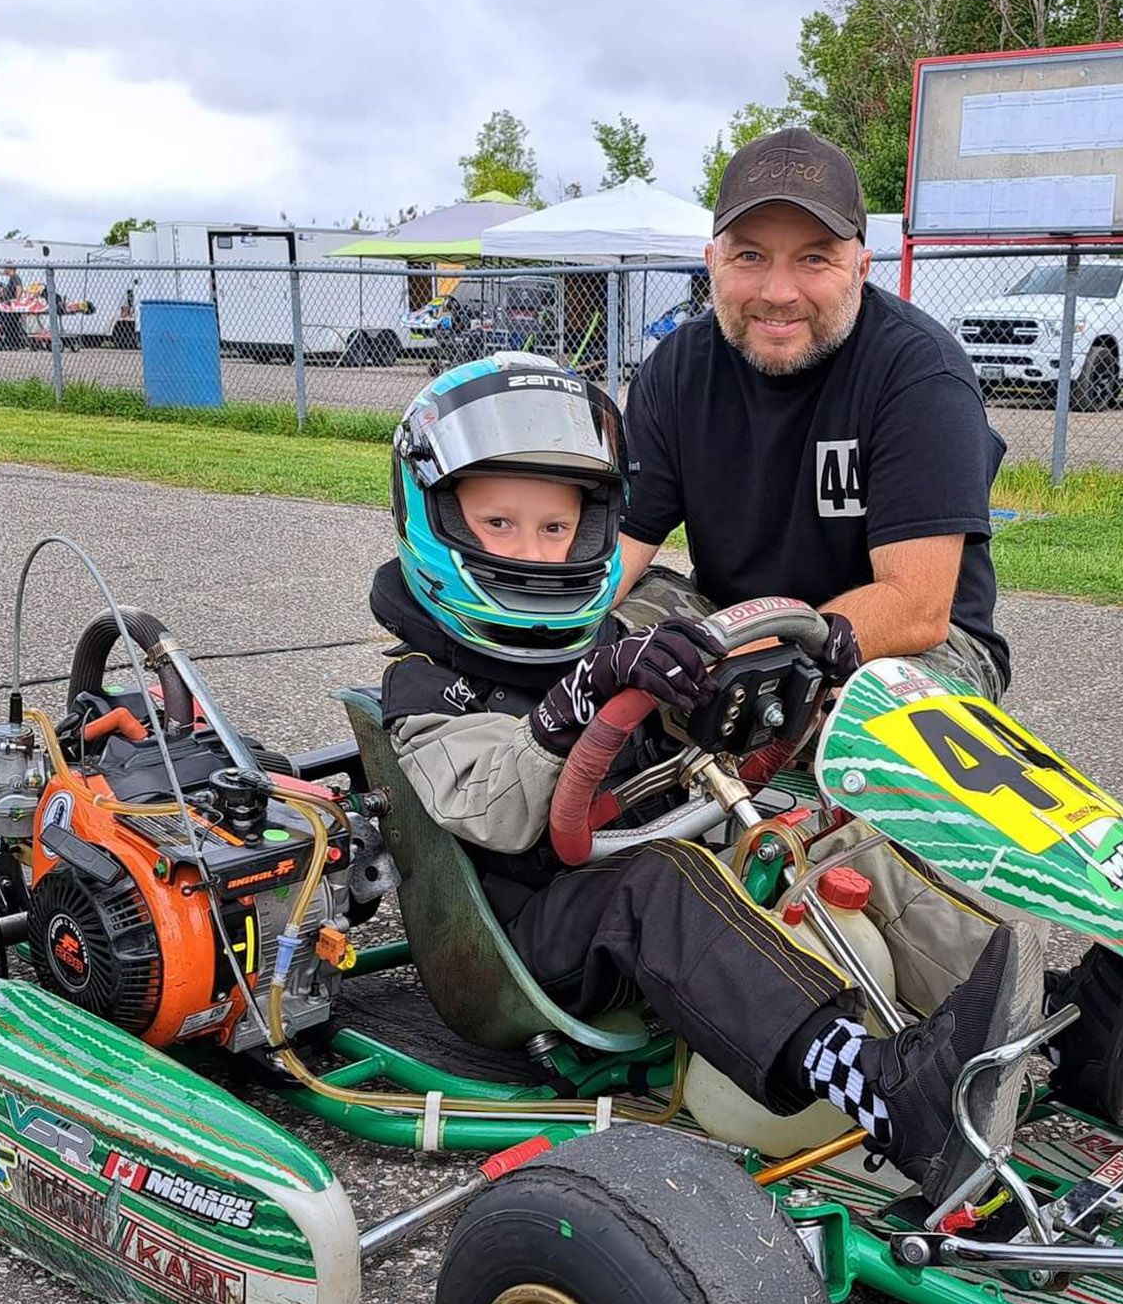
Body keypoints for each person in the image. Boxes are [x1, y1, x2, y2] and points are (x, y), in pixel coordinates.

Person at [370, 354, 1031, 1205]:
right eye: (500, 523)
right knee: (661, 883)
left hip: (647, 864)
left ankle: (1039, 1030)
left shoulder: (612, 625)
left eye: (556, 527)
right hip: (528, 941)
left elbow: (699, 696)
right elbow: (488, 809)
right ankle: (888, 1093)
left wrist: (758, 679)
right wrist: (578, 700)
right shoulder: (425, 680)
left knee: (828, 833)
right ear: (438, 522)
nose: (535, 551)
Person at [616, 127, 1010, 701]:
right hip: (736, 622)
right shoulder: (677, 369)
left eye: (814, 258)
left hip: (906, 644)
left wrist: (741, 664)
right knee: (609, 623)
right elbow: (625, 548)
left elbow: (915, 607)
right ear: (711, 262)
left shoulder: (920, 372)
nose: (779, 291)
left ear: (860, 267)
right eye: (749, 255)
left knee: (865, 709)